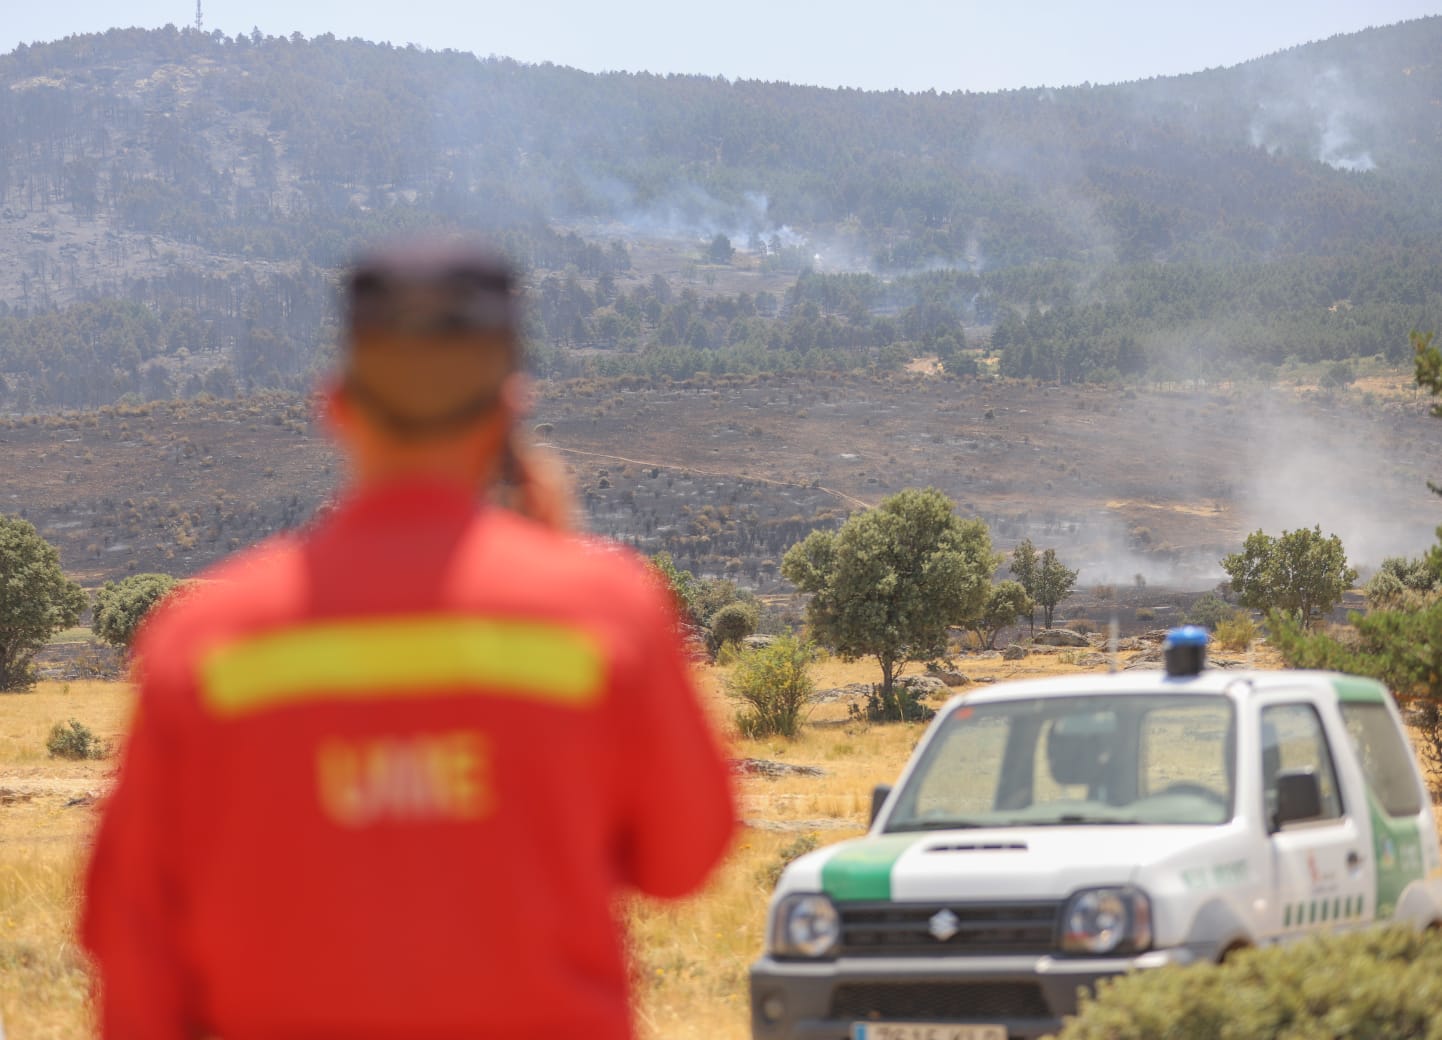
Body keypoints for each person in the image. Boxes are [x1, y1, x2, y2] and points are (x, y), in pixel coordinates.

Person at [81, 238, 736, 1039]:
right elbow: (685, 859)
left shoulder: (203, 640)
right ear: (507, 411)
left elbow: (133, 942)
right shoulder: (606, 613)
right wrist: (558, 554)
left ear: (336, 405)